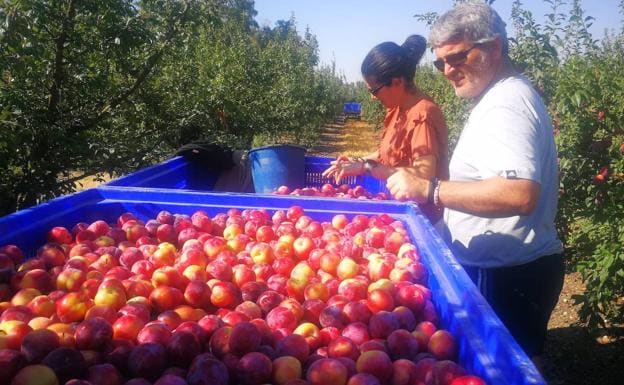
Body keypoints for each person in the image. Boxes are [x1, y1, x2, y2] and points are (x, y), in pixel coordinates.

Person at [386, 3, 565, 361]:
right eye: (440, 63)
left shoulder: (506, 106)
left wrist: (431, 189)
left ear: (494, 47)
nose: (448, 71)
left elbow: (520, 193)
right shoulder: (499, 97)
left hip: (507, 277)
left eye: (457, 57)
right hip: (507, 270)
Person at [322, 35, 449, 222]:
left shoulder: (422, 115)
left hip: (420, 220)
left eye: (374, 90)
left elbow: (422, 179)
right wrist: (357, 161)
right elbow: (386, 154)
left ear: (397, 82)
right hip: (399, 210)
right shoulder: (398, 110)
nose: (372, 97)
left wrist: (366, 167)